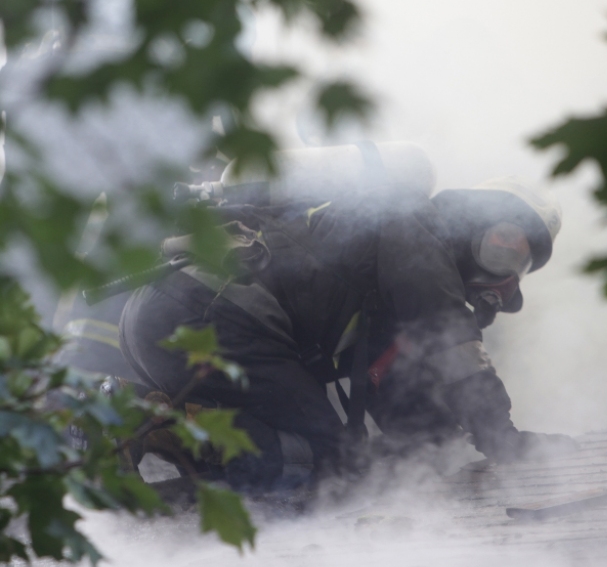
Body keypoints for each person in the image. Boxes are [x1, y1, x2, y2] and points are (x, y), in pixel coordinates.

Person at [118, 173, 576, 490]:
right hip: (211, 311)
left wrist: (439, 450)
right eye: (503, 245)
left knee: (326, 459)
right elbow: (448, 332)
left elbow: (393, 389)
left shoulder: (384, 278)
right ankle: (157, 425)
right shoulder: (415, 222)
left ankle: (148, 423)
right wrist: (501, 437)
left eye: (518, 262)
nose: (504, 271)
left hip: (170, 313)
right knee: (326, 458)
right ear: (473, 220)